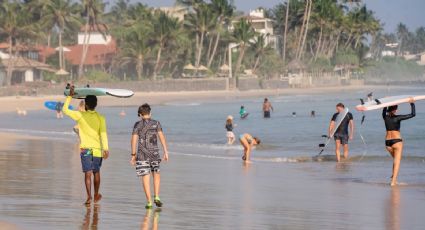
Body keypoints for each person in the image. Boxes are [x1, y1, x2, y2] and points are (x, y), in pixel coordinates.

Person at [63, 86, 109, 205]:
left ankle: (89, 197)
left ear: (86, 105)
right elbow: (103, 134)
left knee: (87, 173)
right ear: (96, 104)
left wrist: (69, 97)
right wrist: (106, 149)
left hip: (86, 149)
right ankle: (96, 194)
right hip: (98, 150)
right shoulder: (101, 118)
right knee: (96, 172)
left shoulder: (80, 115)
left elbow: (65, 110)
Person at [130, 103, 169, 209]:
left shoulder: (137, 125)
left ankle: (149, 202)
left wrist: (133, 155)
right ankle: (156, 196)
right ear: (150, 113)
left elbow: (133, 140)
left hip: (142, 155)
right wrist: (166, 151)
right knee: (156, 174)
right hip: (154, 154)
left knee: (145, 178)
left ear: (140, 115)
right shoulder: (156, 123)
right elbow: (162, 137)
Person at [382, 98, 415, 186]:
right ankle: (393, 182)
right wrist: (412, 104)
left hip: (387, 142)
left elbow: (384, 109)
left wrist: (386, 102)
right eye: (396, 108)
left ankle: (393, 178)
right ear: (395, 109)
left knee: (395, 160)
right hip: (397, 141)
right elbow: (413, 114)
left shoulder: (385, 117)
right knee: (397, 161)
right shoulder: (398, 117)